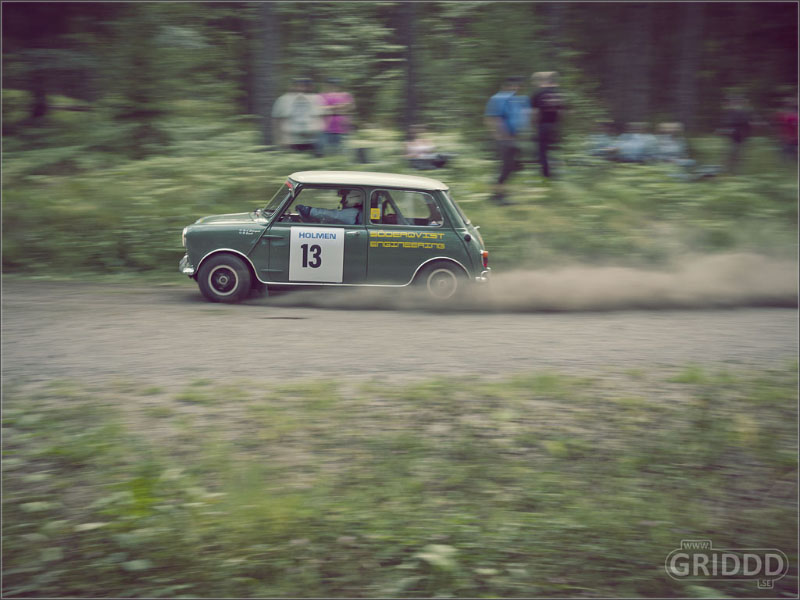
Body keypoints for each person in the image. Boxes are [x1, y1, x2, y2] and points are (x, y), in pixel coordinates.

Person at [484, 76, 527, 205]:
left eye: (518, 86)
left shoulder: (513, 100)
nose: (516, 88)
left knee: (509, 167)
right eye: (514, 86)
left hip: (512, 138)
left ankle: (499, 194)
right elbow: (493, 119)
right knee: (505, 167)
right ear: (506, 86)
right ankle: (498, 196)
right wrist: (501, 137)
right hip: (504, 139)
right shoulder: (498, 98)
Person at [271, 78, 325, 155]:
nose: (302, 88)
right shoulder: (283, 100)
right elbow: (276, 121)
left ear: (310, 87)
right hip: (290, 141)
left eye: (305, 86)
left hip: (314, 141)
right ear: (293, 86)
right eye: (298, 86)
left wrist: (321, 135)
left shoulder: (317, 99)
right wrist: (278, 140)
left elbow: (323, 118)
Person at [530, 71, 566, 178]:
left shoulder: (537, 93)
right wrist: (558, 124)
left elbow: (534, 113)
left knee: (542, 150)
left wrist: (534, 126)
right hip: (554, 125)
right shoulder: (558, 93)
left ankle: (546, 174)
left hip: (543, 125)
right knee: (554, 147)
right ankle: (557, 170)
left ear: (543, 81)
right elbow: (562, 111)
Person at [319, 78, 354, 155]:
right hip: (326, 129)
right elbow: (320, 109)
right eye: (331, 84)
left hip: (342, 128)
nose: (333, 86)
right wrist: (338, 107)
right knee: (327, 153)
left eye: (335, 84)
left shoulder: (345, 95)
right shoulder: (322, 96)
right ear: (327, 85)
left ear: (339, 86)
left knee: (342, 153)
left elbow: (350, 107)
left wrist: (329, 108)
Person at [719, 94, 752, 174]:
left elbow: (745, 124)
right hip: (733, 137)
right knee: (731, 154)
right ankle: (729, 170)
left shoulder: (741, 112)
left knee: (735, 155)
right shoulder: (730, 112)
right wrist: (723, 130)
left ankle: (734, 171)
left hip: (739, 137)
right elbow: (728, 124)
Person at [773, 96, 798, 162]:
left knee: (788, 157)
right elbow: (779, 125)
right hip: (787, 139)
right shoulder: (783, 115)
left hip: (791, 139)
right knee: (786, 157)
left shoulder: (792, 116)